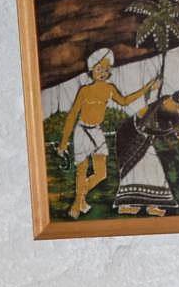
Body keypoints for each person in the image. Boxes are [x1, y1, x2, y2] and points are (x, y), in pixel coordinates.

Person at [54, 48, 156, 219]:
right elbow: (72, 115)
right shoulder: (84, 90)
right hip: (82, 131)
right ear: (91, 69)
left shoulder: (109, 89)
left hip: (97, 132)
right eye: (99, 68)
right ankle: (77, 204)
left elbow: (124, 101)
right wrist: (64, 142)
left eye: (106, 69)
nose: (102, 73)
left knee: (101, 174)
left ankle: (79, 198)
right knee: (81, 171)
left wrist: (146, 88)